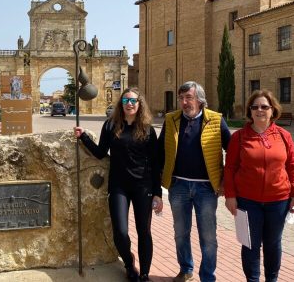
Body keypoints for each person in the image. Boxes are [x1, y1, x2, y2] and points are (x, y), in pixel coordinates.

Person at [74, 88, 162, 282]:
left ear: (140, 104)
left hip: (143, 186)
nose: (129, 104)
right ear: (120, 104)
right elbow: (99, 153)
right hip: (119, 186)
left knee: (144, 231)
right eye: (125, 101)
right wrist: (84, 137)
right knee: (120, 232)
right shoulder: (111, 125)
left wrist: (158, 193)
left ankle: (145, 274)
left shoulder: (148, 129)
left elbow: (156, 163)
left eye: (133, 101)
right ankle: (130, 265)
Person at [223, 89, 294, 282]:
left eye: (264, 106)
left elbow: (293, 166)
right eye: (255, 107)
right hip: (247, 202)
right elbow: (230, 168)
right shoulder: (239, 137)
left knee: (273, 244)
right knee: (249, 244)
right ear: (250, 111)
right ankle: (253, 279)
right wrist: (230, 196)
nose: (260, 110)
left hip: (278, 201)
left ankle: (272, 279)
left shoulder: (284, 136)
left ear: (272, 110)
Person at [158, 81, 231, 282]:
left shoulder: (216, 120)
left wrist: (226, 181)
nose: (184, 102)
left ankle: (207, 276)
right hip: (178, 186)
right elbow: (159, 152)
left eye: (188, 98)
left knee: (208, 237)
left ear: (199, 99)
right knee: (180, 233)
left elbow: (232, 151)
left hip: (206, 188)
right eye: (181, 98)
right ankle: (186, 269)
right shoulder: (171, 119)